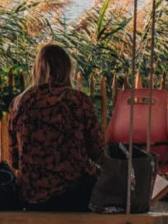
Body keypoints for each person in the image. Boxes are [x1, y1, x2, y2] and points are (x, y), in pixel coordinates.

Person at [8, 44, 103, 211]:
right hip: (73, 194)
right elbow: (97, 150)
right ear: (66, 69)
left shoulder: (20, 103)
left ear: (37, 69)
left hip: (31, 196)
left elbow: (14, 159)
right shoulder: (77, 100)